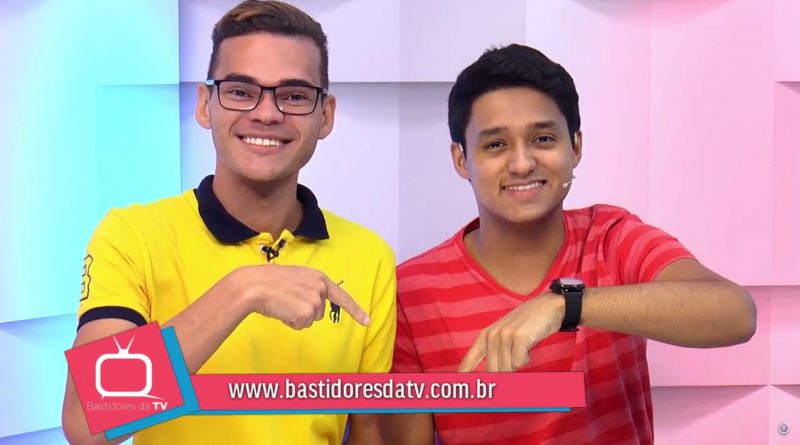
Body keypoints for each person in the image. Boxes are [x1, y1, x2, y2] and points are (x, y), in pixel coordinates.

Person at [385, 44, 756, 445]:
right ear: (461, 160)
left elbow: (736, 313)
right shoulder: (411, 292)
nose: (522, 163)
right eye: (496, 144)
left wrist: (564, 306)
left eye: (543, 138)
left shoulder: (612, 238)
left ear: (575, 147)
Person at [62, 1, 395, 444]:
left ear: (326, 115)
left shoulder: (369, 256)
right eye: (240, 91)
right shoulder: (132, 235)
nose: (267, 113)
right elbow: (88, 423)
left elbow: (370, 431)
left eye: (294, 96)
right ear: (205, 105)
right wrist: (243, 290)